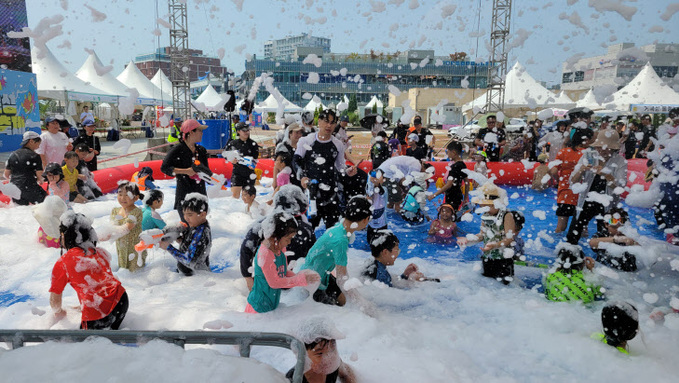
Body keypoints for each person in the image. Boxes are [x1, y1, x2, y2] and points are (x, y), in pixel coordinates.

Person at [49, 211, 128, 330]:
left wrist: (59, 311)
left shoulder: (63, 262)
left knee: (87, 344)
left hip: (98, 311)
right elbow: (99, 286)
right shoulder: (99, 252)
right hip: (121, 300)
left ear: (64, 236)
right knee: (111, 340)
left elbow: (55, 299)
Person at [239, 185, 315, 291]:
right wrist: (248, 277)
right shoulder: (266, 225)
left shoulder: (264, 225)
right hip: (278, 281)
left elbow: (246, 248)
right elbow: (246, 248)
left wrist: (248, 276)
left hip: (288, 281)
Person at [302, 196, 372, 306]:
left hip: (315, 272)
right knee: (339, 306)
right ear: (365, 220)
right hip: (312, 281)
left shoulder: (341, 226)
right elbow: (342, 280)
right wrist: (363, 304)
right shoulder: (340, 241)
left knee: (342, 300)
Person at [245, 212, 320, 314]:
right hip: (258, 308)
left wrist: (300, 276)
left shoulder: (280, 248)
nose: (289, 242)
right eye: (288, 239)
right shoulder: (265, 254)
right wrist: (300, 279)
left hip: (271, 304)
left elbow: (283, 272)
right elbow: (275, 282)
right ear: (275, 237)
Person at [294, 109, 356, 229]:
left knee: (332, 231)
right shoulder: (307, 141)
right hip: (311, 193)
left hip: (330, 194)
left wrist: (348, 171)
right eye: (326, 121)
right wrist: (302, 177)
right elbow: (296, 161)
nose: (329, 125)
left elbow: (340, 167)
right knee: (307, 230)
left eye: (332, 123)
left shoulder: (337, 144)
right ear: (319, 121)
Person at [567, 129, 627, 245]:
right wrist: (581, 170)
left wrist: (606, 174)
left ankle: (603, 259)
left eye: (606, 147)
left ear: (614, 148)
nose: (601, 150)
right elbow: (572, 181)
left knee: (607, 236)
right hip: (586, 201)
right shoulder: (588, 155)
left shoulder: (620, 161)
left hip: (608, 203)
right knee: (573, 234)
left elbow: (620, 187)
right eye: (599, 147)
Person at [458, 183, 516, 284]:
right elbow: (482, 235)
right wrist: (469, 240)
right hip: (488, 257)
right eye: (483, 206)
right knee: (488, 285)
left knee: (503, 287)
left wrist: (495, 245)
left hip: (502, 259)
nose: (484, 208)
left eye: (487, 206)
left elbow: (509, 239)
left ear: (496, 203)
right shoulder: (486, 215)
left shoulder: (507, 215)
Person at [160, 119, 209, 222]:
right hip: (184, 193)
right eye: (200, 130)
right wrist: (186, 171)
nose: (202, 133)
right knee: (188, 225)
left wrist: (217, 180)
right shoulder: (177, 150)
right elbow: (164, 168)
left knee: (200, 225)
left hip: (200, 192)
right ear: (191, 132)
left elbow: (207, 171)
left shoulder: (201, 150)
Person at [286, 317, 357, 383]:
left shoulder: (334, 365)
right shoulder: (294, 379)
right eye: (320, 353)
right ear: (304, 355)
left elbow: (346, 374)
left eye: (332, 350)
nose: (328, 358)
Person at [159, 193, 212, 276]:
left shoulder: (201, 233)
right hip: (188, 275)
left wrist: (169, 247)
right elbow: (192, 246)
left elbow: (190, 261)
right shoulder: (196, 224)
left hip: (196, 278)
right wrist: (182, 239)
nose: (186, 218)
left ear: (202, 214)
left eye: (190, 215)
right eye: (184, 214)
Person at [551, 128, 591, 233]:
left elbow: (553, 170)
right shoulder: (589, 154)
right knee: (582, 230)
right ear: (585, 140)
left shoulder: (563, 152)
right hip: (582, 196)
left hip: (565, 193)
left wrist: (559, 181)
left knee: (560, 228)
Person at [3, 131, 46, 205]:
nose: (38, 146)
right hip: (30, 188)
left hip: (15, 189)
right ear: (31, 141)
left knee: (19, 211)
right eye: (38, 143)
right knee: (44, 203)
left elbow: (6, 174)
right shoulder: (35, 156)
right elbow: (40, 177)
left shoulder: (13, 155)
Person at [110, 181, 146, 271]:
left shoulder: (136, 212)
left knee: (135, 272)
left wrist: (108, 234)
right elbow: (111, 227)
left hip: (135, 249)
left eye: (127, 195)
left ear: (136, 198)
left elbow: (127, 228)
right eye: (120, 194)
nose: (122, 198)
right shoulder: (115, 211)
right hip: (121, 247)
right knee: (123, 269)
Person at [428, 141, 468, 212]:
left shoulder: (454, 167)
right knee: (455, 215)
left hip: (451, 196)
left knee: (447, 218)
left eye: (448, 152)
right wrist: (465, 197)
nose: (447, 155)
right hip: (458, 196)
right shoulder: (462, 164)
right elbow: (466, 182)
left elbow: (449, 185)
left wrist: (434, 195)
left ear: (454, 152)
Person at [225, 122, 260, 199]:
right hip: (237, 173)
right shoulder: (233, 143)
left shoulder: (253, 144)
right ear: (238, 131)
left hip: (249, 173)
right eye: (244, 130)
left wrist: (253, 164)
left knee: (248, 198)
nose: (246, 132)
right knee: (234, 197)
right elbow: (225, 155)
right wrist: (231, 160)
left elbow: (255, 158)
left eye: (247, 130)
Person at [365, 169, 388, 245]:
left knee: (382, 243)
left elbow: (381, 192)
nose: (376, 179)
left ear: (383, 179)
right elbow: (369, 196)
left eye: (378, 176)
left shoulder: (384, 189)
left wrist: (377, 184)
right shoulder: (369, 188)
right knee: (369, 243)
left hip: (382, 223)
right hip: (371, 222)